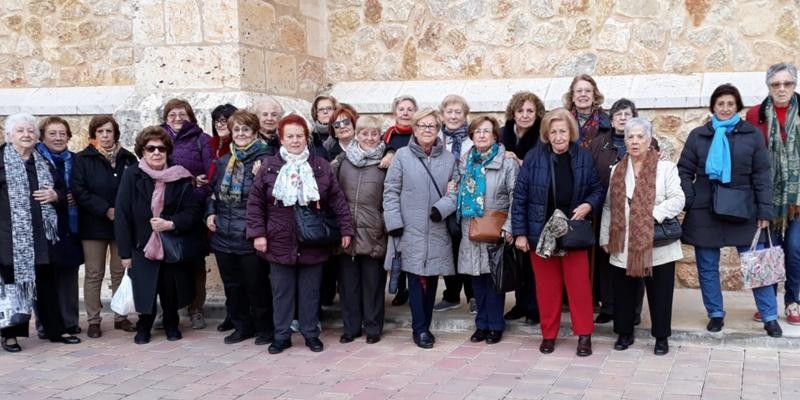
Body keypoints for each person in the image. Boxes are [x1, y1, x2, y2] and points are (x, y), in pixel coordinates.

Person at [678, 84, 782, 337]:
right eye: (720, 103)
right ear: (713, 106)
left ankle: (769, 316)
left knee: (757, 265)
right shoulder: (698, 136)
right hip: (705, 209)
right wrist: (691, 199)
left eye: (730, 104)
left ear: (737, 107)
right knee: (707, 266)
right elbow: (683, 170)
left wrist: (764, 212)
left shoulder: (752, 135)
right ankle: (715, 314)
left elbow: (762, 175)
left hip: (744, 209)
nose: (725, 108)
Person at [246, 115, 353, 354]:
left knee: (310, 292)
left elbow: (337, 201)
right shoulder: (269, 167)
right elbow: (255, 204)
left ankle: (310, 333)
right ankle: (282, 335)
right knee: (282, 293)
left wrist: (346, 228)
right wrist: (258, 234)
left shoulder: (320, 166)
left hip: (312, 240)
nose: (295, 141)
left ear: (307, 138)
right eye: (290, 136)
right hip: (278, 239)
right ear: (282, 139)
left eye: (299, 136)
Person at [512, 108, 604, 356]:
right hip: (541, 234)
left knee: (579, 288)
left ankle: (584, 335)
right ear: (547, 134)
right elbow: (520, 197)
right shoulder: (533, 158)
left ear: (570, 132)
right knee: (547, 289)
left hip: (573, 232)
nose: (558, 136)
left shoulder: (583, 157)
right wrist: (520, 233)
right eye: (553, 132)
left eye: (562, 131)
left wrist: (588, 205)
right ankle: (549, 335)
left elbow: (596, 190)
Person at [599, 118, 685, 356]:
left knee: (660, 293)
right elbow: (608, 206)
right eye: (630, 137)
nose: (635, 141)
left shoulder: (665, 168)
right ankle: (624, 333)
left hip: (656, 242)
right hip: (623, 241)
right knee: (624, 292)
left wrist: (651, 215)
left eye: (640, 137)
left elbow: (678, 199)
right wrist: (606, 236)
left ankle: (661, 337)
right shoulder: (617, 170)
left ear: (649, 140)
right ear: (624, 141)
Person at [114, 126, 203, 344]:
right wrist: (124, 253)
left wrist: (170, 223)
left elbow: (192, 212)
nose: (156, 152)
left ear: (167, 151)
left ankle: (172, 323)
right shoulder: (131, 175)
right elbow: (122, 214)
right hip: (141, 243)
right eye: (150, 148)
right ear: (142, 151)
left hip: (170, 242)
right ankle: (144, 325)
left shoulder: (180, 176)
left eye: (161, 148)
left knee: (169, 286)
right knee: (145, 287)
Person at [0, 113, 79, 352]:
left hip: (41, 236)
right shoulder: (1, 160)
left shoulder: (43, 161)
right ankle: (10, 335)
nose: (26, 135)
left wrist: (55, 196)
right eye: (20, 131)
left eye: (30, 131)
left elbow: (62, 190)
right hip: (8, 236)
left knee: (46, 284)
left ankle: (54, 330)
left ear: (36, 136)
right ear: (9, 135)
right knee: (13, 287)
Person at [383, 108, 459, 349]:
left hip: (437, 229)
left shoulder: (448, 159)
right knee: (416, 279)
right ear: (414, 129)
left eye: (432, 126)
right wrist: (394, 222)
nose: (427, 130)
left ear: (438, 130)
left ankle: (426, 324)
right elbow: (391, 191)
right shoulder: (403, 157)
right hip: (409, 229)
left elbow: (457, 192)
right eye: (422, 126)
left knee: (432, 279)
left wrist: (442, 207)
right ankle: (420, 329)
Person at [207, 110, 274, 346]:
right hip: (224, 234)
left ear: (255, 132)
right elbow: (213, 193)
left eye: (246, 129)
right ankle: (241, 326)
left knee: (257, 286)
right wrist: (210, 212)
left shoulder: (266, 159)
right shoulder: (225, 159)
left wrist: (260, 177)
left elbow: (272, 197)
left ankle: (265, 328)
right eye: (237, 129)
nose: (241, 134)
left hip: (249, 234)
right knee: (233, 287)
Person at [72, 115, 139, 338]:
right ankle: (93, 320)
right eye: (100, 131)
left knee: (121, 271)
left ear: (115, 133)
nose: (105, 135)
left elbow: (136, 188)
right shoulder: (83, 159)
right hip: (94, 224)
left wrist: (121, 212)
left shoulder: (128, 158)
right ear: (94, 135)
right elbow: (79, 190)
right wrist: (105, 209)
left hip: (122, 225)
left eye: (109, 131)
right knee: (94, 273)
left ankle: (121, 316)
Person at [746, 62, 800, 326]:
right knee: (769, 250)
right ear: (768, 86)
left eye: (787, 83)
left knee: (794, 249)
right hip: (767, 199)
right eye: (776, 84)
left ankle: (793, 301)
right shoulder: (756, 114)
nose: (781, 88)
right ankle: (768, 303)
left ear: (794, 85)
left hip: (797, 199)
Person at [456, 116, 518, 345]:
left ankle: (495, 324)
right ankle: (481, 324)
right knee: (476, 278)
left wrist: (510, 226)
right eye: (477, 131)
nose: (481, 135)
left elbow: (515, 197)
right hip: (470, 228)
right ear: (471, 135)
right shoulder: (465, 162)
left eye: (487, 131)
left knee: (494, 278)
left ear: (495, 136)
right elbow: (455, 190)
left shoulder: (507, 162)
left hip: (496, 227)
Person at [587, 99, 649, 325]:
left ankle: (633, 310)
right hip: (607, 210)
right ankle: (609, 306)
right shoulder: (599, 144)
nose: (623, 118)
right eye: (618, 114)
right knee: (607, 259)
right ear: (611, 119)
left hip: (638, 212)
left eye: (628, 114)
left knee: (636, 259)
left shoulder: (647, 142)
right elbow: (590, 172)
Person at [333, 116, 388, 344]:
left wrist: (383, 225)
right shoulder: (343, 161)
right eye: (364, 133)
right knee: (348, 286)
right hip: (347, 231)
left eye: (374, 134)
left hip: (374, 230)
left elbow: (391, 197)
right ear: (357, 134)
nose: (369, 138)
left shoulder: (386, 162)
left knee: (373, 284)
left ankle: (373, 328)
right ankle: (351, 328)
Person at [160, 98, 213, 330]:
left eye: (183, 114)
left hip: (194, 208)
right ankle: (169, 309)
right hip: (164, 209)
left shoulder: (202, 140)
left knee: (195, 260)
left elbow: (210, 174)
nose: (178, 118)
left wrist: (197, 190)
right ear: (166, 117)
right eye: (173, 114)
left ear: (191, 116)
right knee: (167, 262)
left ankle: (196, 308)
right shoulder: (157, 138)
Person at [35, 117, 84, 340]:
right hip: (44, 227)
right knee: (45, 279)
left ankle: (70, 322)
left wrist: (71, 196)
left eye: (62, 133)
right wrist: (60, 196)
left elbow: (82, 189)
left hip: (70, 226)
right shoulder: (34, 160)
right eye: (52, 133)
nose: (58, 138)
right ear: (43, 136)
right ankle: (46, 324)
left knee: (68, 277)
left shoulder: (76, 160)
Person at [500, 91, 545, 324]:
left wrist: (519, 161)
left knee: (532, 258)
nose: (525, 115)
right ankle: (520, 303)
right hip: (507, 203)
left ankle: (534, 307)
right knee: (516, 258)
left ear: (537, 113)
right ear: (513, 113)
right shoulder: (503, 134)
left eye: (530, 111)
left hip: (534, 202)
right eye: (521, 111)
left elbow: (544, 166)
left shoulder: (542, 136)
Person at [434, 94, 476, 314]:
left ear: (464, 115)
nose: (453, 116)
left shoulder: (472, 137)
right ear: (442, 115)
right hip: (442, 200)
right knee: (447, 246)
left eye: (458, 112)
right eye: (449, 111)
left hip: (466, 200)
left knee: (466, 245)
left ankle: (472, 295)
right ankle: (451, 294)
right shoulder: (436, 137)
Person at [380, 94, 418, 306]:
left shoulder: (418, 134)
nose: (405, 112)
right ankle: (400, 288)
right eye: (401, 109)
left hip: (413, 194)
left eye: (409, 109)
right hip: (394, 194)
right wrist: (390, 151)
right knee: (396, 245)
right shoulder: (388, 136)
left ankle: (413, 287)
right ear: (395, 113)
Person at [563, 74, 612, 148]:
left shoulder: (606, 122)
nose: (583, 94)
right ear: (572, 97)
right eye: (579, 91)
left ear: (594, 97)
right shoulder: (563, 121)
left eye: (588, 91)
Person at [309, 95, 336, 161]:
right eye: (321, 109)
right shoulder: (310, 137)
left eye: (329, 108)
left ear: (335, 111)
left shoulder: (343, 132)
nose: (325, 112)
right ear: (316, 114)